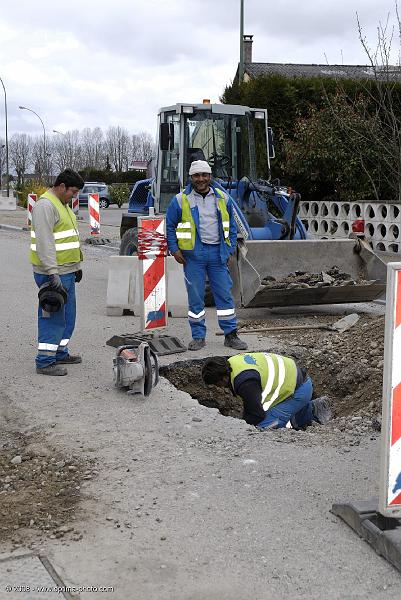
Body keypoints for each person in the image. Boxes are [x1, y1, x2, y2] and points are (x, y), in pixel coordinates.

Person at [166, 160, 247, 351]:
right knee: (195, 297)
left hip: (218, 254)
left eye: (204, 175)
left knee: (224, 296)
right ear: (191, 177)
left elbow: (232, 227)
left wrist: (228, 249)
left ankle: (231, 335)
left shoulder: (222, 198)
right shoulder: (180, 200)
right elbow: (169, 225)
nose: (201, 179)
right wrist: (174, 249)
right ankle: (198, 336)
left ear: (210, 176)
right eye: (196, 175)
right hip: (193, 255)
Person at [30, 169, 85, 376]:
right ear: (61, 186)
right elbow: (45, 243)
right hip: (53, 273)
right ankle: (44, 361)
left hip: (66, 271)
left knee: (68, 316)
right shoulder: (45, 206)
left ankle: (60, 351)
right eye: (73, 191)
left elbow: (67, 238)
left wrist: (77, 266)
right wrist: (52, 273)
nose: (75, 195)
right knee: (52, 317)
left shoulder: (62, 205)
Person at [201, 352, 331, 430]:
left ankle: (312, 412)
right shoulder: (233, 363)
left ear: (223, 377)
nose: (219, 388)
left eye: (217, 384)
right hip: (299, 381)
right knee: (269, 413)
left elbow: (257, 414)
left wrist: (242, 427)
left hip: (298, 390)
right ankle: (311, 409)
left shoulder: (245, 383)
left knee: (262, 428)